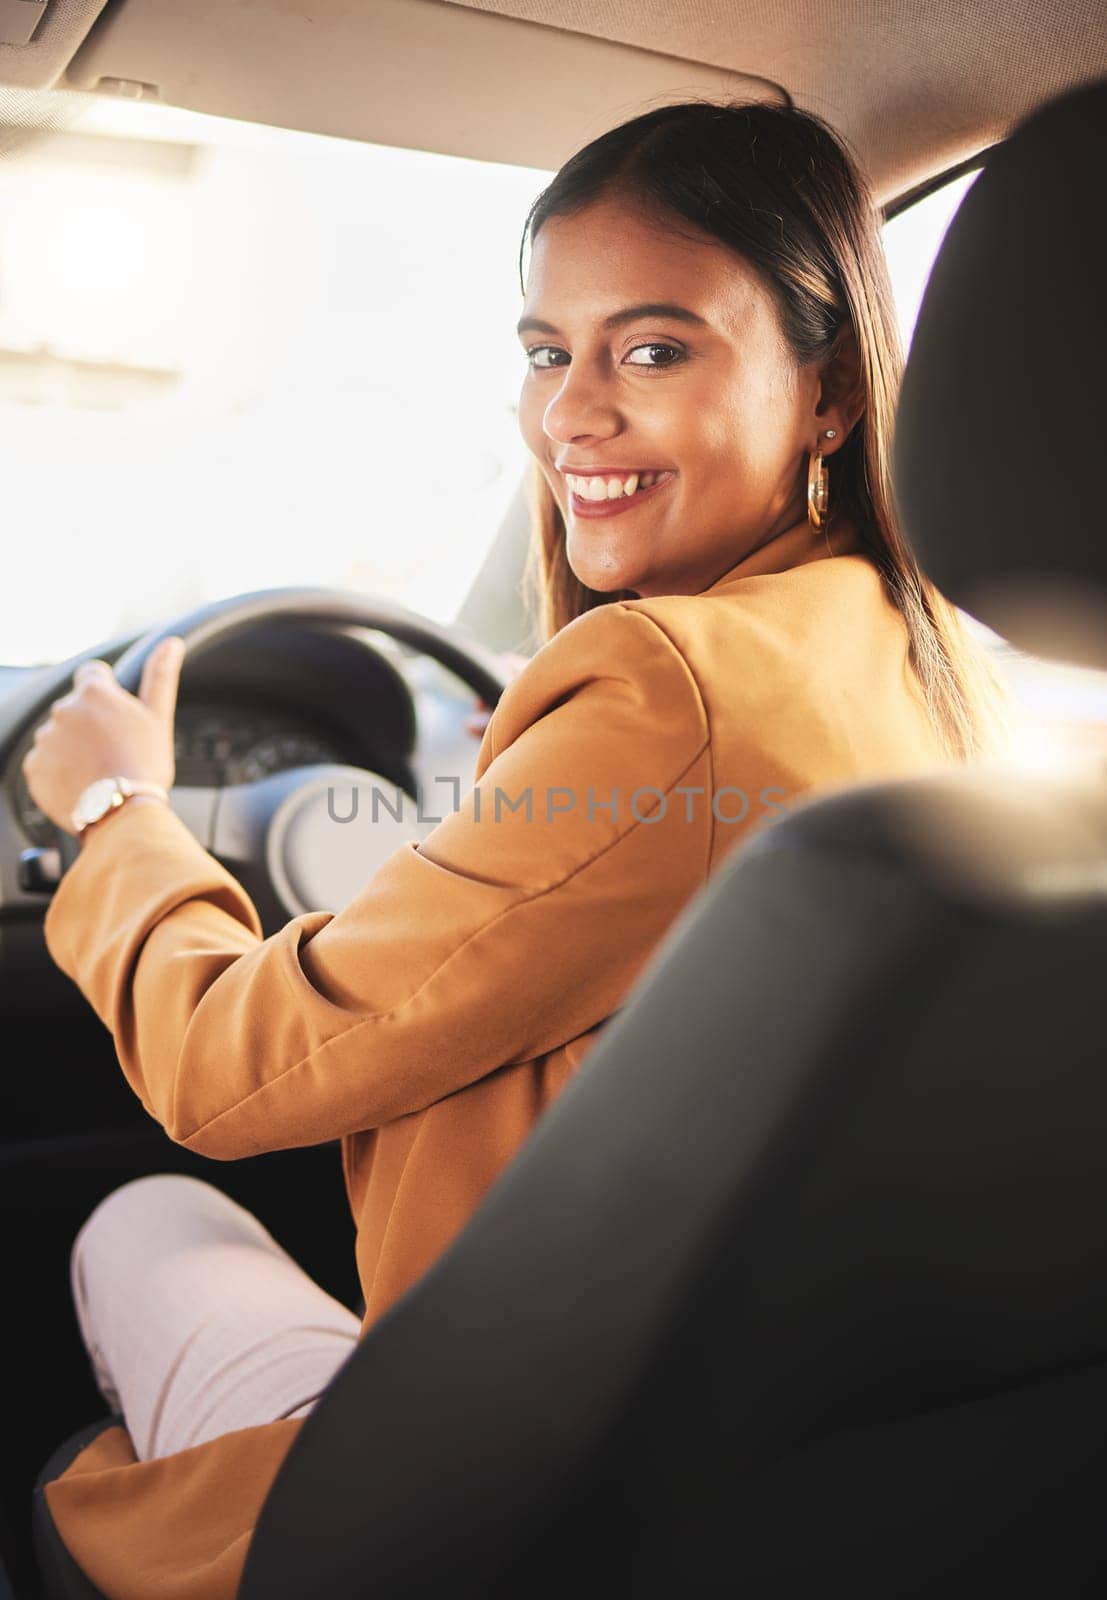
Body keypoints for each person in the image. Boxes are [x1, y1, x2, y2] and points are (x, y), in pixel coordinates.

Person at [24, 99, 1014, 1598]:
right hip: (756, 1456)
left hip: (484, 1500)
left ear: (826, 393)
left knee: (138, 1215)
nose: (569, 415)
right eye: (549, 351)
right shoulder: (940, 660)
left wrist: (119, 814)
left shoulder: (662, 692)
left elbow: (234, 1070)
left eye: (655, 349)